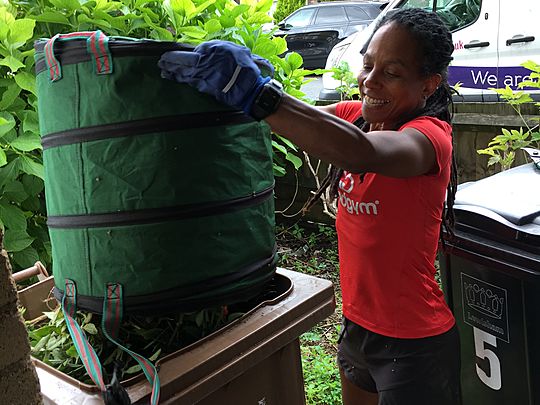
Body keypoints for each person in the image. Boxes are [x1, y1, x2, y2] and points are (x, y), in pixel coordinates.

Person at [158, 7, 461, 405]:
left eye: (392, 72)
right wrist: (252, 92)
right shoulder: (360, 118)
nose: (369, 81)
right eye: (368, 65)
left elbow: (359, 151)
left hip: (414, 344)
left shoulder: (428, 139)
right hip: (356, 329)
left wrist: (261, 95)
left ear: (429, 84)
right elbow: (305, 123)